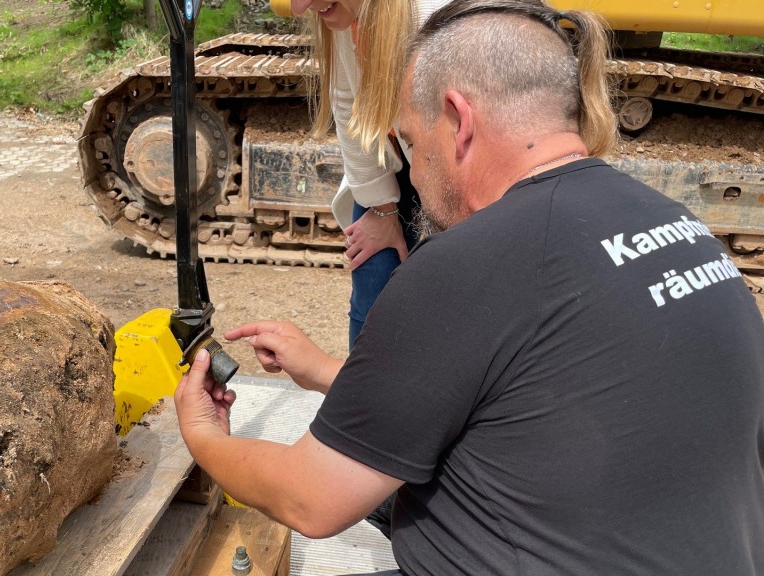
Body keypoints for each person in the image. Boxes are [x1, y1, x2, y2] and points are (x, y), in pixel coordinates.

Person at [173, 0, 764, 574]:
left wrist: (204, 434)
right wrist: (328, 370)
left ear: (459, 120)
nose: (413, 169)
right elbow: (537, 392)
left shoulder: (464, 265)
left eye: (407, 139)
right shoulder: (679, 227)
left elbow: (311, 499)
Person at [290, 0, 447, 347]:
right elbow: (348, 102)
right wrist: (381, 207)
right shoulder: (351, 16)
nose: (299, 8)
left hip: (456, 180)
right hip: (393, 166)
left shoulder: (442, 20)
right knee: (372, 288)